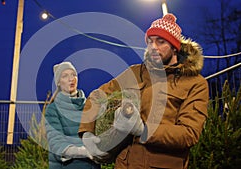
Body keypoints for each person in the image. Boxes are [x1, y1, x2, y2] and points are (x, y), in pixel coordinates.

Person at [79, 13, 209, 169]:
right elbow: (98, 96)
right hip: (125, 164)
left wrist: (143, 129)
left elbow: (189, 134)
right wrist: (87, 132)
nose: (153, 47)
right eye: (150, 41)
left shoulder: (195, 83)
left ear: (175, 47)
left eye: (161, 42)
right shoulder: (135, 73)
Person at [45, 61, 100, 169]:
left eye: (73, 75)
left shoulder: (89, 106)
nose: (71, 79)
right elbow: (56, 142)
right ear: (59, 83)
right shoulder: (53, 109)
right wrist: (83, 152)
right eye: (65, 76)